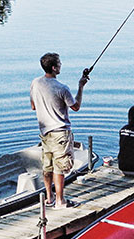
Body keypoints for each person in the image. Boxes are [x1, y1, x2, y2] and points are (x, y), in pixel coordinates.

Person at [30, 53, 89, 209]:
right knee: (59, 168)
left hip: (44, 133)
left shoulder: (35, 83)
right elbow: (76, 107)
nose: (61, 65)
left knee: (47, 167)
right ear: (54, 68)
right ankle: (60, 201)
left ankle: (49, 198)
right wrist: (81, 86)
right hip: (60, 133)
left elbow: (33, 106)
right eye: (59, 63)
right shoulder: (62, 88)